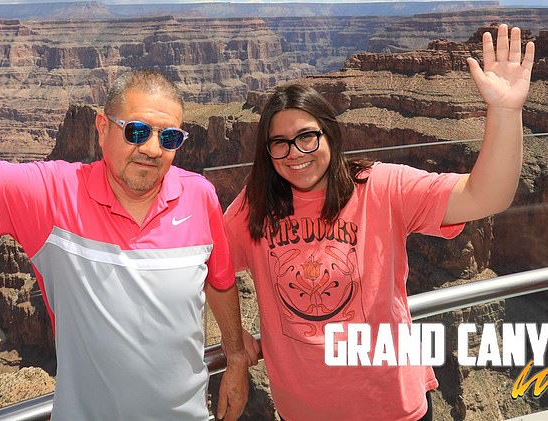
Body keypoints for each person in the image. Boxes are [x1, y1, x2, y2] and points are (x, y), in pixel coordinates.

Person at [224, 24, 534, 421]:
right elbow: (207, 268)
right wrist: (234, 343)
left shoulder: (382, 186)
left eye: (307, 137)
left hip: (392, 407)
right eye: (279, 143)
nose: (294, 153)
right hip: (303, 412)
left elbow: (485, 196)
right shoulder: (255, 205)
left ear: (330, 136)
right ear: (267, 152)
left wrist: (506, 112)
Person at [0, 69, 251, 420]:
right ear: (103, 129)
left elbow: (220, 280)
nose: (152, 149)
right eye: (136, 131)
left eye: (169, 138)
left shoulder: (200, 195)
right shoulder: (53, 194)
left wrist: (237, 354)